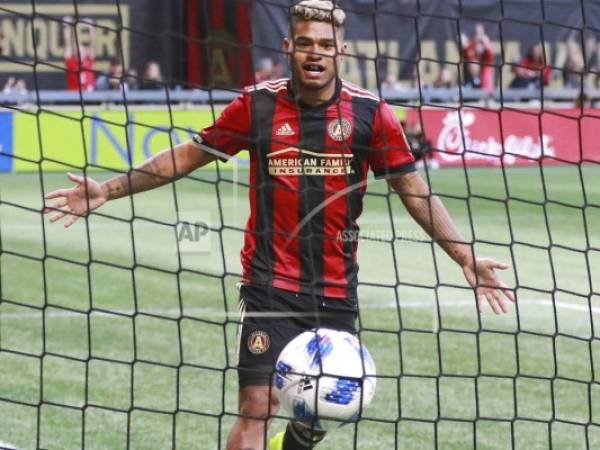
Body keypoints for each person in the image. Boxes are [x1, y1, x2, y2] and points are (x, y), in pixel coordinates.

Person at [44, 1, 515, 449]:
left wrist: (465, 257)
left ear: (342, 52)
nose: (316, 53)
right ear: (288, 47)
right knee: (256, 404)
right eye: (306, 42)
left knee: (325, 412)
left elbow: (414, 191)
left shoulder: (371, 114)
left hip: (335, 291)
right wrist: (109, 189)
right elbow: (185, 158)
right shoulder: (256, 106)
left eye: (326, 45)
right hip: (269, 285)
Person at [63, 16, 96, 92]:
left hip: (89, 94)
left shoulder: (89, 60)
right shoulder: (71, 62)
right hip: (74, 94)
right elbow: (67, 42)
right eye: (77, 51)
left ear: (85, 52)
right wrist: (66, 27)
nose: (79, 52)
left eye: (81, 51)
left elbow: (92, 43)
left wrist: (91, 27)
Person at [463, 24, 495, 92]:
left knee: (487, 72)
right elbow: (467, 56)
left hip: (484, 75)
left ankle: (487, 95)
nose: (478, 35)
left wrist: (486, 46)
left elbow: (490, 57)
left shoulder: (486, 45)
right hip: (471, 76)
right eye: (476, 32)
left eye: (480, 32)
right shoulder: (471, 46)